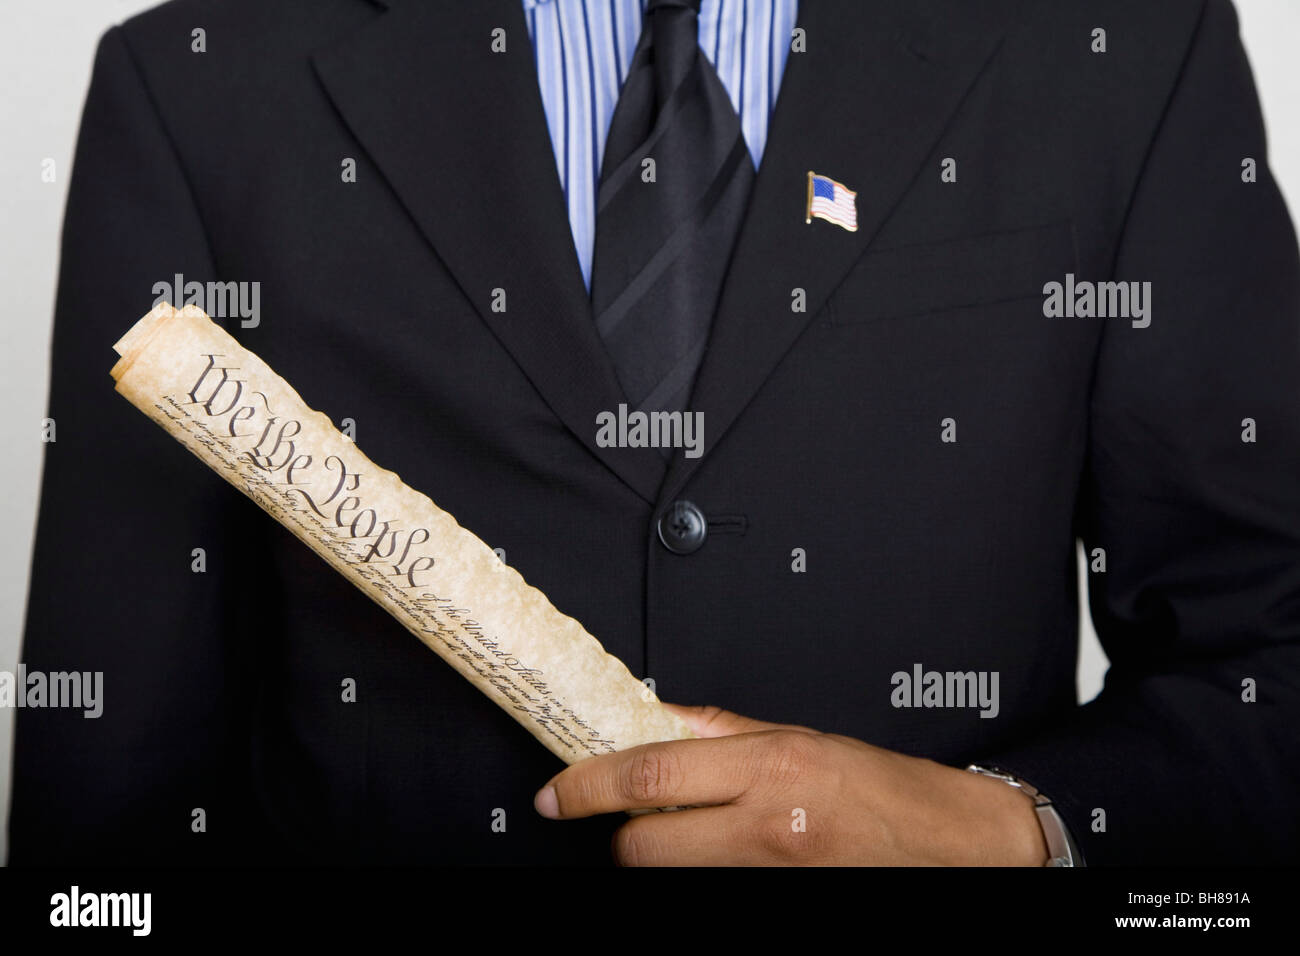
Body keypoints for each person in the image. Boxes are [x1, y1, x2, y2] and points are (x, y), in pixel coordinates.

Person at [10, 0, 1300, 866]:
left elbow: (1270, 652)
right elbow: (108, 806)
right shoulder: (199, 83)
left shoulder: (1122, 46)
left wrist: (1019, 830)